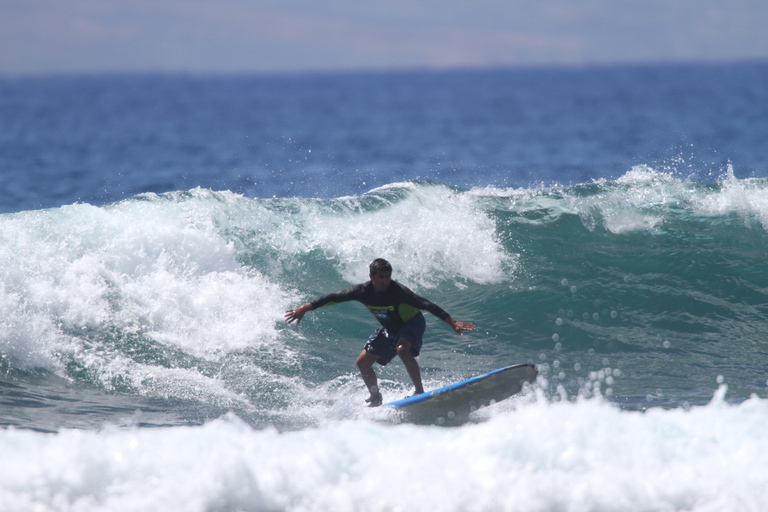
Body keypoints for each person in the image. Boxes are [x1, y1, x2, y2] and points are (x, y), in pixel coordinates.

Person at [284, 258, 475, 406]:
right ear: (371, 277)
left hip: (412, 323)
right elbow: (334, 297)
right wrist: (305, 308)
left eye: (388, 276)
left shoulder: (398, 291)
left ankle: (419, 392)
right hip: (390, 329)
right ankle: (375, 398)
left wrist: (451, 322)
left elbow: (426, 304)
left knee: (402, 349)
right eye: (381, 277)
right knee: (362, 363)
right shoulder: (362, 291)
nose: (385, 281)